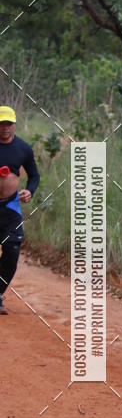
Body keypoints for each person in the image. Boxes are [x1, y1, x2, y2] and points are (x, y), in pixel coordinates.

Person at [0, 106, 40, 314]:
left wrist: (29, 191)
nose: (5, 128)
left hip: (10, 206)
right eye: (1, 124)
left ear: (14, 124)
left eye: (9, 123)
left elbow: (34, 175)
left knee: (12, 250)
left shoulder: (23, 148)